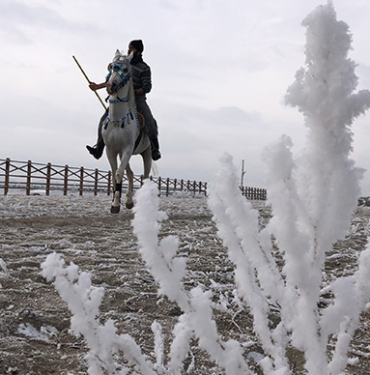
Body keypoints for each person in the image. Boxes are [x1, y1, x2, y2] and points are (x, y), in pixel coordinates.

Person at [86, 39, 161, 161]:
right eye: (129, 47)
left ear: (138, 51)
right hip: (121, 98)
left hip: (137, 99)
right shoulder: (123, 64)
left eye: (131, 48)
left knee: (149, 119)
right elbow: (113, 79)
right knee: (103, 119)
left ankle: (154, 148)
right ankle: (99, 147)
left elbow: (147, 87)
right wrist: (97, 87)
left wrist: (135, 91)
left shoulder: (145, 68)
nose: (128, 50)